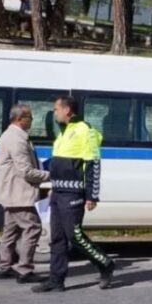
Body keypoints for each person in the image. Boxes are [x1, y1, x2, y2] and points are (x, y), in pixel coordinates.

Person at [32, 96, 115, 292]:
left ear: (67, 110)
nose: (54, 113)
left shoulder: (85, 131)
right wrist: (52, 186)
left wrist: (92, 196)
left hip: (73, 193)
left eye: (56, 109)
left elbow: (93, 165)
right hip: (58, 192)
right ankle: (56, 280)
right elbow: (59, 164)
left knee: (74, 235)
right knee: (57, 238)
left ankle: (105, 263)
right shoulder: (63, 132)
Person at [0, 104, 51, 283]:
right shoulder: (16, 139)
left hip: (10, 193)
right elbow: (26, 171)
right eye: (30, 118)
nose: (32, 121)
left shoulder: (11, 136)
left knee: (10, 231)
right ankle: (24, 270)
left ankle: (4, 266)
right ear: (20, 119)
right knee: (32, 228)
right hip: (19, 193)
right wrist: (50, 175)